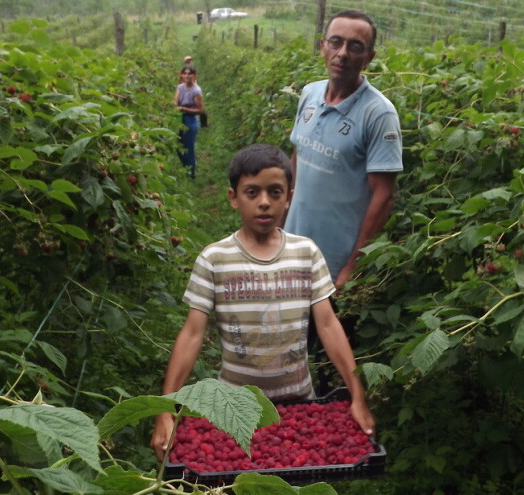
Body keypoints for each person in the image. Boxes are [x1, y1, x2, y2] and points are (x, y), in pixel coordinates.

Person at [150, 143, 375, 461]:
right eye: (252, 192)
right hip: (234, 410)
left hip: (299, 405)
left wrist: (357, 394)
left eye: (275, 192)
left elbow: (327, 325)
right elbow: (192, 334)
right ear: (233, 198)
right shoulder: (214, 259)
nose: (265, 202)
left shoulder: (306, 253)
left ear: (289, 197)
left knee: (295, 473)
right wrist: (165, 408)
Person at [284, 9, 403, 292]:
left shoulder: (379, 114)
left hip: (333, 264)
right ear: (322, 46)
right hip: (290, 246)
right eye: (336, 42)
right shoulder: (310, 94)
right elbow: (297, 158)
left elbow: (384, 196)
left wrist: (352, 267)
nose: (343, 53)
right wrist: (278, 226)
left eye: (355, 46)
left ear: (369, 57)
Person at [174, 66, 204, 178]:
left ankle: (191, 174)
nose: (187, 76)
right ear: (182, 75)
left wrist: (183, 109)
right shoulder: (180, 87)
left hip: (190, 120)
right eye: (185, 73)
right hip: (179, 118)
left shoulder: (196, 91)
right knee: (177, 145)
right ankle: (186, 167)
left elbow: (200, 110)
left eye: (189, 74)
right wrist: (173, 104)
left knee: (188, 147)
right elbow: (175, 100)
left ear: (194, 75)